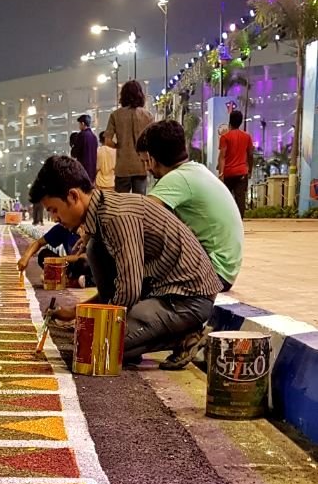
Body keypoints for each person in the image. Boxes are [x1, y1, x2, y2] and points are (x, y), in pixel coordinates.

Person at [29, 155, 221, 366]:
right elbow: (113, 292)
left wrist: (96, 327)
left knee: (94, 346)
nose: (55, 219)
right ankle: (149, 336)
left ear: (73, 196)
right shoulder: (101, 218)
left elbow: (127, 292)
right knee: (94, 251)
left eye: (54, 210)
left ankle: (184, 337)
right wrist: (75, 313)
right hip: (160, 293)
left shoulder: (116, 217)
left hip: (187, 298)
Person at [137, 120, 243, 291]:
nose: (145, 168)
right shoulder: (194, 171)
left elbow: (136, 218)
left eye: (144, 161)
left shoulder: (177, 179)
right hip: (223, 271)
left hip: (213, 273)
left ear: (151, 158)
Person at [105, 81, 153, 193]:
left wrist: (119, 145)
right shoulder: (147, 115)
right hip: (141, 166)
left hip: (123, 166)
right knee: (139, 202)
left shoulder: (115, 115)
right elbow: (152, 140)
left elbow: (107, 141)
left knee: (121, 204)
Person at [217, 109, 254, 218]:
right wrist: (250, 170)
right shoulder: (247, 137)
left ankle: (226, 220)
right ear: (240, 122)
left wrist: (221, 173)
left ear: (230, 121)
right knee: (240, 198)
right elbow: (250, 155)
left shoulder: (225, 137)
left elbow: (222, 156)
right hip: (242, 172)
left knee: (225, 199)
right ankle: (239, 222)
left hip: (228, 173)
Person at [71, 114, 98, 182]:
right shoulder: (94, 137)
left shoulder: (82, 135)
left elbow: (75, 152)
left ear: (83, 123)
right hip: (92, 170)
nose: (79, 126)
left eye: (79, 124)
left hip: (83, 169)